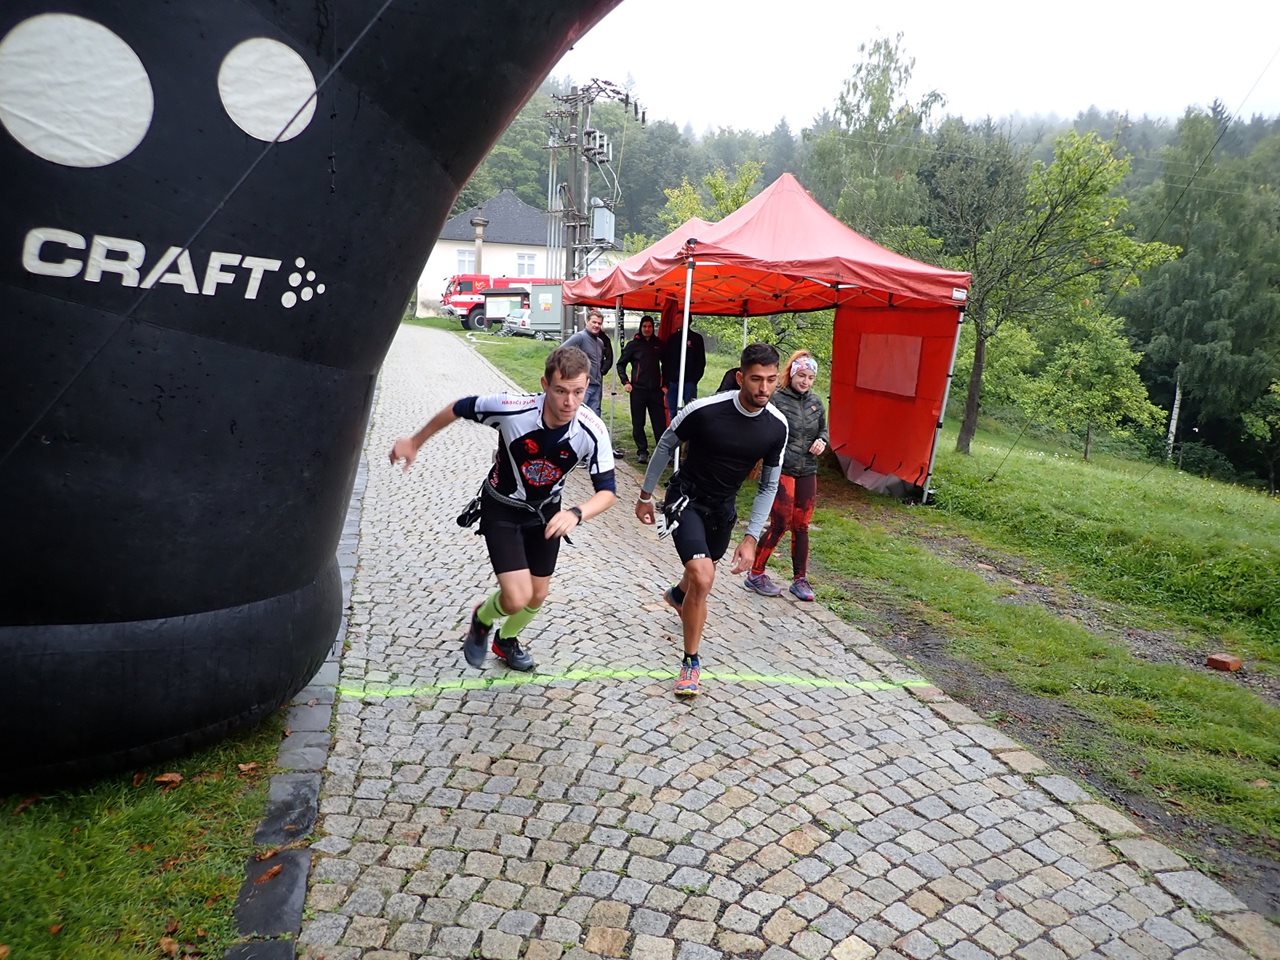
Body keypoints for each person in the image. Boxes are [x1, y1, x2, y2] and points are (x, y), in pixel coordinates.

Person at [388, 346, 617, 672]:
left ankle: (505, 641)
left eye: (578, 392)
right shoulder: (512, 410)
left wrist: (576, 513)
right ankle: (482, 618)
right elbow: (458, 407)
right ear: (545, 384)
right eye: (560, 391)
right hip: (503, 509)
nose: (569, 402)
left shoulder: (592, 430)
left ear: (587, 386)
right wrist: (415, 442)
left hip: (547, 514)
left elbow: (607, 493)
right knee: (516, 597)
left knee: (538, 594)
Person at [635, 342, 789, 697]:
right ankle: (691, 663)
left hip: (723, 510)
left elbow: (768, 484)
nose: (764, 388)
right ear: (740, 377)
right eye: (756, 379)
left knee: (699, 574)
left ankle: (678, 595)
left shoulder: (776, 426)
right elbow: (666, 444)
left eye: (770, 380)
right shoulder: (704, 410)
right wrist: (645, 496)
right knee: (703, 577)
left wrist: (751, 537)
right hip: (686, 499)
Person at [743, 350, 829, 602]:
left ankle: (799, 580)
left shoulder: (816, 403)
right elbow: (761, 426)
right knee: (781, 522)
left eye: (810, 377)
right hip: (781, 468)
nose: (805, 381)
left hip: (808, 469)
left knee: (802, 525)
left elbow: (823, 430)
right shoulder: (777, 399)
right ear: (791, 374)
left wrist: (822, 440)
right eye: (801, 375)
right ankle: (755, 573)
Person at [615, 315, 665, 462]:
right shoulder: (633, 345)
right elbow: (620, 364)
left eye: (649, 326)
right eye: (644, 326)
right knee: (638, 423)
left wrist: (665, 384)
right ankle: (642, 451)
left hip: (655, 390)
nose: (647, 329)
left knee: (659, 423)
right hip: (638, 390)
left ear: (653, 328)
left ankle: (662, 452)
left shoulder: (659, 344)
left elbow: (667, 364)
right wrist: (626, 382)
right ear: (640, 327)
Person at [562, 308, 614, 417]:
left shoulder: (600, 342)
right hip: (583, 387)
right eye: (594, 322)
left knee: (594, 418)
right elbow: (560, 352)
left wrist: (602, 372)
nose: (596, 325)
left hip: (597, 386)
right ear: (587, 321)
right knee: (579, 416)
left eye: (599, 323)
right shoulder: (579, 337)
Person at [661, 322, 706, 422]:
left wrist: (694, 380)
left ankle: (688, 431)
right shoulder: (672, 339)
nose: (676, 321)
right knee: (673, 412)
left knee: (689, 412)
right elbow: (666, 361)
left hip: (689, 382)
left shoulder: (696, 338)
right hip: (673, 382)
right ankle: (674, 431)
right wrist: (666, 381)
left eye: (679, 319)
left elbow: (701, 361)